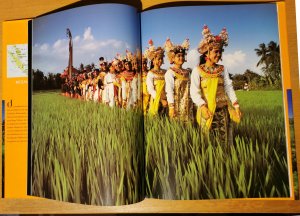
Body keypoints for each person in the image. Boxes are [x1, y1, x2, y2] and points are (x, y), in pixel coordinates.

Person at [190, 25, 241, 145]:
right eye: (216, 52)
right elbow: (194, 92)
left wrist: (236, 105)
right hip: (207, 111)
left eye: (220, 52)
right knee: (208, 142)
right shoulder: (197, 70)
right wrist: (202, 106)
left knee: (225, 141)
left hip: (223, 110)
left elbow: (228, 87)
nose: (219, 55)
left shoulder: (222, 69)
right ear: (207, 52)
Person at [164, 38, 194, 122]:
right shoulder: (170, 73)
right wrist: (171, 107)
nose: (181, 57)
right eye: (178, 56)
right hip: (176, 106)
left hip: (188, 106)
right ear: (172, 58)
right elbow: (169, 90)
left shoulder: (188, 72)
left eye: (182, 55)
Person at [144, 39, 167, 115]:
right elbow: (150, 89)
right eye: (158, 59)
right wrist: (160, 99)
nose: (160, 61)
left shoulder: (165, 72)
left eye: (161, 59)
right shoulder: (151, 73)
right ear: (153, 61)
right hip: (156, 99)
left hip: (166, 99)